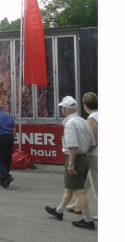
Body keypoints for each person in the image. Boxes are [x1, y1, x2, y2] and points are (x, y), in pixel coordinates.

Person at [45, 96, 96, 230]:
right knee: (70, 188)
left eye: (62, 108)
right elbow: (92, 143)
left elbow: (73, 145)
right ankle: (59, 211)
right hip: (84, 157)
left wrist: (72, 163)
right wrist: (83, 152)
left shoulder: (70, 123)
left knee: (79, 191)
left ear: (65, 110)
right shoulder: (83, 121)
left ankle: (87, 220)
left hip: (75, 158)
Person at [65, 92, 98, 221]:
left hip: (94, 155)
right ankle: (78, 205)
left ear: (85, 105)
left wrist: (84, 151)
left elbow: (93, 139)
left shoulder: (93, 118)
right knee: (85, 183)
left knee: (97, 184)